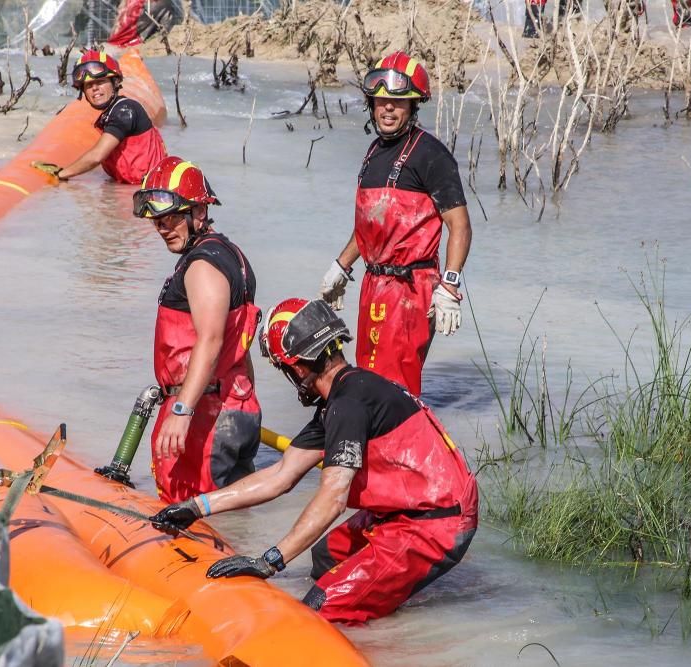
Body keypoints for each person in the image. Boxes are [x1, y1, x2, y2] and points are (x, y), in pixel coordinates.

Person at [149, 298, 478, 624]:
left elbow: (333, 499)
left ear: (298, 367)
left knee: (319, 608)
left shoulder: (348, 405)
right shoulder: (342, 398)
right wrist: (195, 508)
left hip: (435, 522)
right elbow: (281, 474)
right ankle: (384, 619)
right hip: (409, 509)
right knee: (326, 557)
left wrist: (270, 561)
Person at [317, 52, 472, 397]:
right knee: (367, 377)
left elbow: (459, 226)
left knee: (394, 390)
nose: (388, 109)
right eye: (382, 101)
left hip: (411, 289)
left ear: (414, 106)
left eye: (398, 102)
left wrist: (449, 286)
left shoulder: (431, 155)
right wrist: (341, 267)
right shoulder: (373, 151)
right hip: (374, 284)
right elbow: (374, 226)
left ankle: (402, 444)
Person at [134, 156, 262, 503]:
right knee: (229, 519)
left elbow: (211, 339)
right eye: (156, 220)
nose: (162, 227)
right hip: (236, 406)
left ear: (199, 213)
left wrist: (181, 411)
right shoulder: (229, 254)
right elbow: (241, 342)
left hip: (205, 415)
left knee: (187, 518)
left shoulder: (202, 266)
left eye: (172, 217)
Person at [57, 49, 167, 184]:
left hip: (153, 188)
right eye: (89, 85)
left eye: (101, 82)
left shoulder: (125, 111)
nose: (95, 88)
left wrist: (61, 174)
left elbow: (97, 156)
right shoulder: (110, 113)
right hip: (133, 186)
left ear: (115, 83)